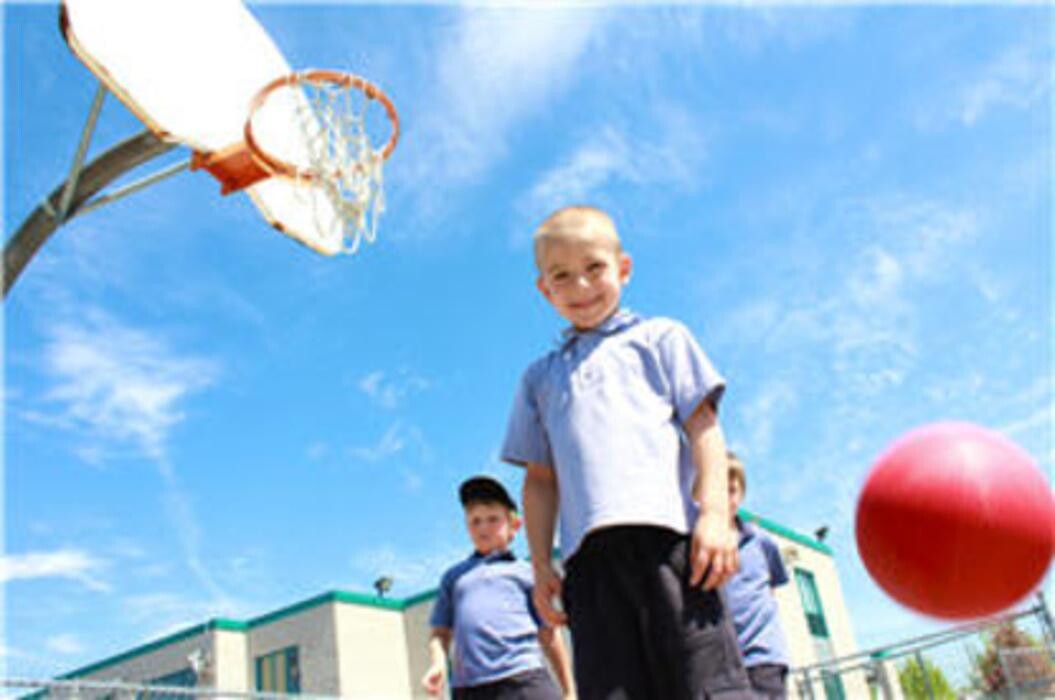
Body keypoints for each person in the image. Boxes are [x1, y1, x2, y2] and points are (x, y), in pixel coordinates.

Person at [501, 205, 753, 699]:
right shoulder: (540, 379)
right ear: (544, 289)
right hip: (589, 566)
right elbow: (540, 480)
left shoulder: (661, 338)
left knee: (704, 685)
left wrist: (716, 515)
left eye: (594, 268)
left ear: (623, 267)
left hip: (673, 546)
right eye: (562, 276)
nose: (580, 287)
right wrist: (539, 566)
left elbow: (704, 427)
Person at [422, 475, 576, 700]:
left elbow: (549, 633)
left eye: (493, 519)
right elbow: (440, 633)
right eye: (475, 521)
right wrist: (438, 664)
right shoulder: (454, 578)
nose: (483, 527)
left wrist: (569, 690)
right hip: (470, 687)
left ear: (514, 525)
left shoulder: (526, 572)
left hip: (523, 678)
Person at [724, 451, 791, 699]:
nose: (724, 499)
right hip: (725, 665)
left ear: (741, 494)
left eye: (730, 491)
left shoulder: (761, 542)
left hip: (764, 658)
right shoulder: (699, 547)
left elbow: (770, 591)